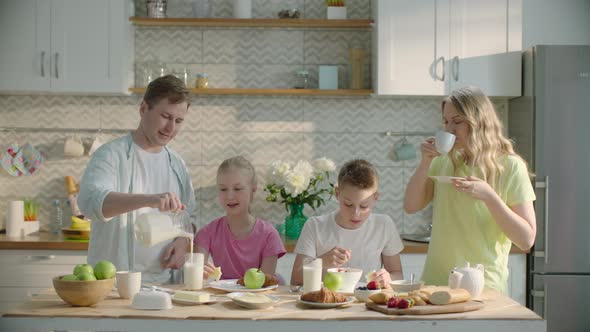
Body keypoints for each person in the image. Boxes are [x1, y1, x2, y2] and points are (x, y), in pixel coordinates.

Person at [404, 86, 536, 293]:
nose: (449, 129)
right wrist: (424, 163)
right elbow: (411, 206)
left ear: (480, 122)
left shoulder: (510, 166)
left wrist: (490, 197)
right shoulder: (443, 160)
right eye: (446, 122)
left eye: (457, 121)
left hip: (482, 285)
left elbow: (526, 239)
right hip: (435, 282)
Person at [78, 75, 197, 283]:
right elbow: (90, 202)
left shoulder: (177, 164)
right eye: (165, 116)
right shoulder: (110, 155)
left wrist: (182, 241)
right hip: (113, 286)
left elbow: (191, 217)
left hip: (165, 285)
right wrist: (147, 200)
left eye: (178, 121)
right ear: (143, 109)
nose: (171, 128)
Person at [291, 159, 404, 288]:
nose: (356, 214)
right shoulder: (315, 225)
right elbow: (295, 279)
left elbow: (397, 273)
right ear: (337, 193)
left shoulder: (384, 225)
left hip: (368, 304)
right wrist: (321, 262)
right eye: (348, 204)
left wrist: (388, 279)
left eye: (363, 206)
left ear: (375, 198)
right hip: (325, 304)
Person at [195, 156, 286, 280]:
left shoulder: (269, 235)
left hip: (256, 298)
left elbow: (264, 285)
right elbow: (197, 276)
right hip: (221, 298)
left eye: (237, 189)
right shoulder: (207, 233)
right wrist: (201, 274)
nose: (229, 196)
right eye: (223, 189)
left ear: (253, 190)